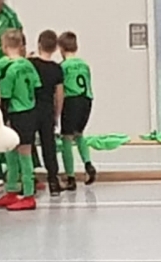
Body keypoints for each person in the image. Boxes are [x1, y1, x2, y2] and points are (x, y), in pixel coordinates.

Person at [0, 30, 43, 212]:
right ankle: (11, 190)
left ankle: (28, 195)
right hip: (30, 110)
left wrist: (2, 120)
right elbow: (37, 87)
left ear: (4, 46)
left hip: (16, 113)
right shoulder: (28, 65)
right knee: (11, 152)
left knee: (22, 154)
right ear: (21, 45)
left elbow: (4, 96)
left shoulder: (4, 67)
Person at [58, 31, 96, 190]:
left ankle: (70, 177)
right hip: (86, 100)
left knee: (66, 137)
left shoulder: (63, 66)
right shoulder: (84, 65)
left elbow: (60, 89)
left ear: (60, 48)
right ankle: (88, 164)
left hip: (71, 100)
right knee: (79, 134)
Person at [30, 30, 65, 197]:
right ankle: (53, 180)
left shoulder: (30, 64)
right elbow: (59, 94)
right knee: (48, 144)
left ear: (39, 45)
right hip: (47, 110)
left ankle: (29, 178)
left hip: (30, 107)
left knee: (27, 143)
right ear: (56, 48)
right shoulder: (56, 69)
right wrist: (57, 114)